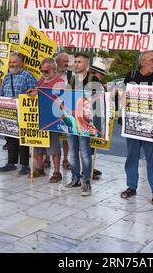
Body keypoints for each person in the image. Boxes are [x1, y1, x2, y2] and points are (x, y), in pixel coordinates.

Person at [120, 51, 153, 206]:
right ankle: (131, 186)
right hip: (133, 124)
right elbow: (123, 96)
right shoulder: (131, 75)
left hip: (150, 126)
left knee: (152, 159)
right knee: (131, 156)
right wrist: (123, 106)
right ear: (142, 62)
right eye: (152, 60)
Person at [62, 53, 102, 197]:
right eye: (75, 62)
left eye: (79, 62)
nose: (76, 64)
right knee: (72, 152)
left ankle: (86, 182)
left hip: (85, 122)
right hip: (72, 121)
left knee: (85, 153)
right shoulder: (71, 79)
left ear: (86, 64)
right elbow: (65, 97)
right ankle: (75, 179)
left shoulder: (93, 79)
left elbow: (100, 99)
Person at [0, 52, 37, 176]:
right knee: (10, 137)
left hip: (22, 111)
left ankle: (25, 165)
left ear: (20, 63)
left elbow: (33, 94)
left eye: (14, 62)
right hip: (8, 112)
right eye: (10, 62)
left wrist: (20, 99)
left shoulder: (27, 76)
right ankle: (11, 163)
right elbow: (2, 92)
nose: (12, 64)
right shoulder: (7, 76)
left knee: (22, 138)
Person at [28, 58, 65, 183]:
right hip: (39, 117)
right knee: (37, 144)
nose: (44, 73)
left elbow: (58, 98)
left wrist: (38, 94)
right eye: (42, 70)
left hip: (52, 119)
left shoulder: (60, 82)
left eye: (46, 70)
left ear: (54, 69)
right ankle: (40, 168)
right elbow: (37, 91)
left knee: (53, 147)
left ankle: (56, 172)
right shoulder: (41, 80)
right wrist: (32, 92)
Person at [56, 52, 72, 170]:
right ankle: (48, 158)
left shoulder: (71, 75)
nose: (66, 63)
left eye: (67, 61)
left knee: (67, 135)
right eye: (64, 61)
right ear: (57, 62)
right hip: (52, 108)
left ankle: (65, 159)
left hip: (67, 109)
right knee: (51, 133)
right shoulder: (50, 73)